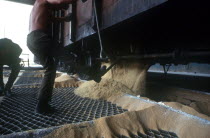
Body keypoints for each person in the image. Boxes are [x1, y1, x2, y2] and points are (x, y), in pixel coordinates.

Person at [27, 0, 75, 114]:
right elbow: (59, 1)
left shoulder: (39, 8)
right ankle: (91, 71)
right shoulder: (42, 0)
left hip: (31, 40)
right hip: (40, 37)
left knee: (50, 68)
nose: (61, 9)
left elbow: (51, 19)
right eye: (62, 8)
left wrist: (65, 19)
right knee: (66, 56)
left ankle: (41, 105)